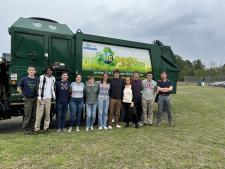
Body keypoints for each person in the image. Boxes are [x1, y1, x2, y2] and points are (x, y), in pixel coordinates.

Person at [17, 66, 38, 135]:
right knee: (27, 115)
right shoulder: (24, 79)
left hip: (35, 99)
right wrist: (23, 95)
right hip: (28, 99)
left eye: (33, 70)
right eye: (30, 70)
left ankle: (32, 129)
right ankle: (25, 129)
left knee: (34, 115)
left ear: (35, 71)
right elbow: (18, 88)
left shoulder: (37, 80)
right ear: (28, 71)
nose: (31, 71)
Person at [34, 67, 56, 134]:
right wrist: (39, 98)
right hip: (42, 98)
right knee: (39, 114)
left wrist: (53, 97)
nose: (49, 71)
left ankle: (46, 129)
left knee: (47, 114)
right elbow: (37, 88)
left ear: (52, 71)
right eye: (48, 70)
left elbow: (53, 88)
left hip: (49, 98)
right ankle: (36, 129)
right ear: (46, 71)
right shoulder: (41, 77)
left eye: (50, 70)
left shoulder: (53, 78)